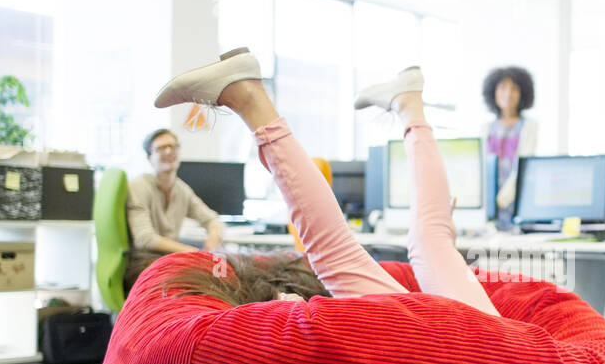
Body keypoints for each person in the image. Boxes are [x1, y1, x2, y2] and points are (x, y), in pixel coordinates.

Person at [145, 47, 500, 317]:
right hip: (506, 356)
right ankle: (407, 108)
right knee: (408, 243)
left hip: (503, 354)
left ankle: (251, 97)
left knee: (398, 244)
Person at [126, 128, 225, 255]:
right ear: (149, 158)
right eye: (161, 148)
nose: (168, 151)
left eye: (173, 146)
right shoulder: (139, 186)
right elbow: (144, 239)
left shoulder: (182, 189)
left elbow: (212, 219)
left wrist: (212, 242)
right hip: (144, 260)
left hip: (169, 257)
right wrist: (195, 252)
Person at [480, 66, 537, 229]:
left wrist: (501, 200)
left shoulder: (529, 127)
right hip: (488, 206)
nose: (508, 94)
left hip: (515, 201)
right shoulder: (486, 128)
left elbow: (524, 166)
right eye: (503, 88)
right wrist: (488, 201)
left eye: (514, 88)